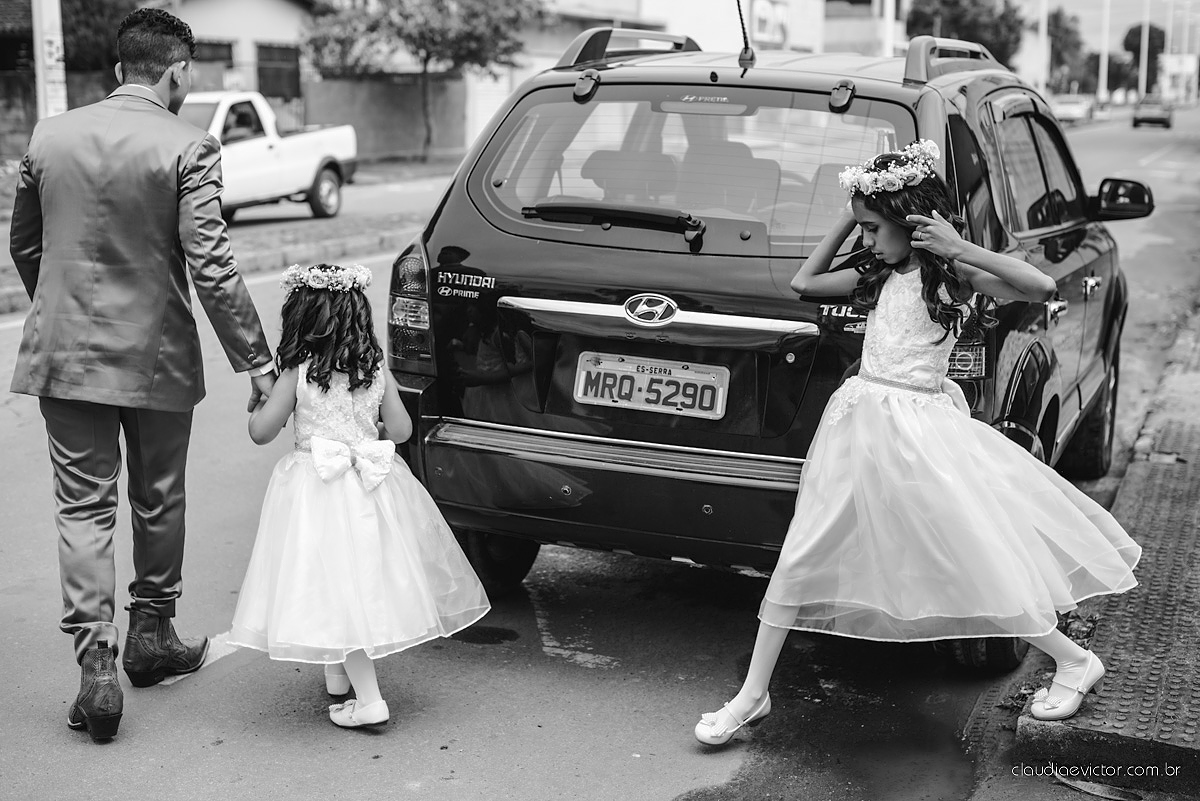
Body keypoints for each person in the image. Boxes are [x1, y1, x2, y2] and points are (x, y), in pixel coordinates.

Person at [694, 140, 1141, 746]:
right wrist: (852, 215)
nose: (870, 240)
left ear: (912, 225)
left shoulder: (954, 274)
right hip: (857, 422)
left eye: (877, 228)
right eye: (866, 228)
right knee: (802, 552)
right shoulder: (880, 268)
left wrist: (958, 246)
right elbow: (806, 281)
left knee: (964, 553)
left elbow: (1038, 287)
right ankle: (753, 695)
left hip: (918, 432)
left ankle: (1072, 659)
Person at [8, 8, 276, 742]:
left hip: (64, 356)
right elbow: (211, 264)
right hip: (155, 357)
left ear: (118, 66)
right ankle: (151, 634)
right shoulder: (190, 144)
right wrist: (256, 359)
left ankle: (97, 668)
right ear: (176, 69)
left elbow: (26, 245)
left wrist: (63, 317)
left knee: (83, 508)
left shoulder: (48, 136)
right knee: (158, 498)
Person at [228, 263, 491, 728]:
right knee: (356, 581)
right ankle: (336, 677)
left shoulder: (298, 374)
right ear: (357, 316)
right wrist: (371, 430)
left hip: (319, 492)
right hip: (371, 491)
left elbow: (260, 433)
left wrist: (258, 408)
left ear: (300, 320)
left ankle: (370, 701)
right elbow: (404, 429)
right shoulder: (375, 369)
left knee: (336, 589)